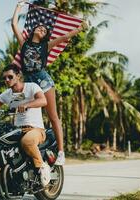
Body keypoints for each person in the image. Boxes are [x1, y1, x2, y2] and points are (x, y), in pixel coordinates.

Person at [11, 0, 88, 165]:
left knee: (53, 116)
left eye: (44, 29)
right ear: (33, 30)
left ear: (45, 35)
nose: (41, 28)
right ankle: (26, 149)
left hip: (43, 80)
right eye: (39, 27)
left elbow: (65, 36)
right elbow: (14, 24)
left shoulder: (46, 46)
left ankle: (61, 152)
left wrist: (80, 28)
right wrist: (19, 6)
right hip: (29, 82)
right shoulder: (24, 44)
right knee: (20, 113)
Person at [0, 64, 51, 187]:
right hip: (17, 130)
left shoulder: (31, 87)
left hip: (35, 129)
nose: (7, 80)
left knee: (27, 141)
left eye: (10, 77)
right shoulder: (7, 94)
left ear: (18, 76)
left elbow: (43, 100)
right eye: (4, 78)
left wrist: (27, 105)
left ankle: (42, 167)